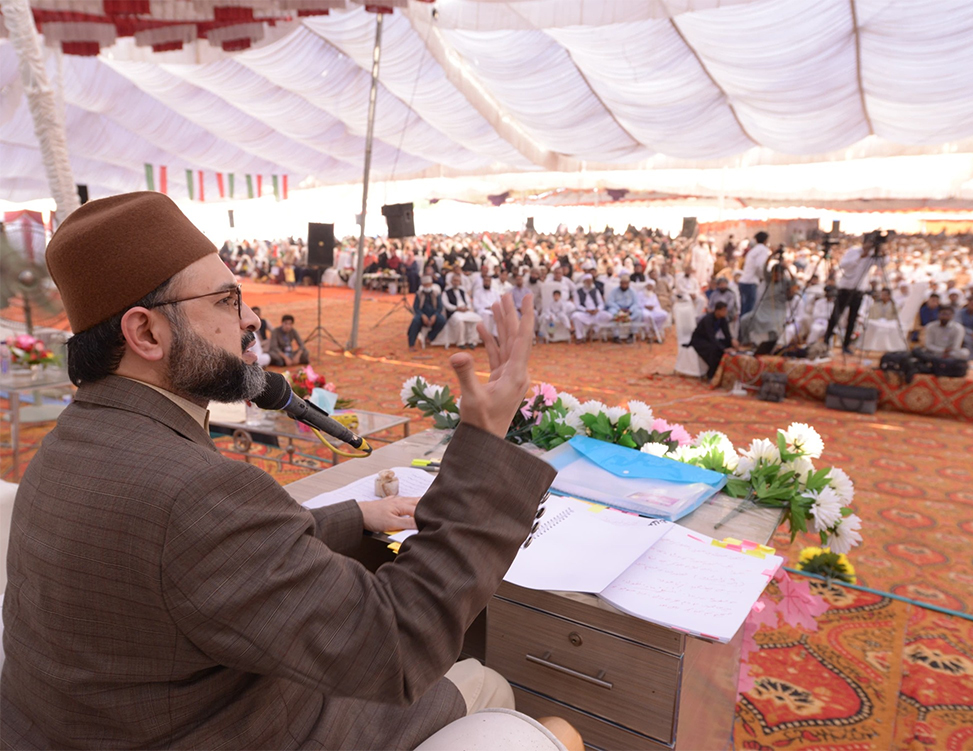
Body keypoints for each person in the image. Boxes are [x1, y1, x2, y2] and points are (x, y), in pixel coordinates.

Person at [1, 192, 580, 751]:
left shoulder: (67, 445)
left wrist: (353, 514)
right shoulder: (192, 493)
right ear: (147, 333)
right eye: (226, 301)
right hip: (243, 729)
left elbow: (199, 560)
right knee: (495, 688)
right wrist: (484, 444)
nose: (251, 318)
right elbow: (399, 646)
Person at [823, 238, 875, 354]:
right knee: (835, 316)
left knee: (852, 319)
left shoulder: (872, 255)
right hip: (845, 289)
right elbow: (844, 265)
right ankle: (826, 341)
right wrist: (861, 256)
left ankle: (846, 345)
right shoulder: (853, 252)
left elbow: (883, 263)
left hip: (858, 291)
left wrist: (881, 252)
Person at [688, 301, 740, 379]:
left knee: (727, 343)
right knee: (714, 350)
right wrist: (724, 349)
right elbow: (711, 336)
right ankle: (711, 373)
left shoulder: (722, 319)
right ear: (717, 311)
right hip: (699, 340)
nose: (725, 312)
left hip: (709, 339)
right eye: (723, 310)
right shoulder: (708, 319)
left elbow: (726, 333)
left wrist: (732, 340)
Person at [442, 274, 482, 349]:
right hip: (454, 312)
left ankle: (472, 341)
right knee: (460, 321)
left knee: (478, 319)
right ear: (451, 281)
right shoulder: (446, 292)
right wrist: (456, 308)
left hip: (465, 310)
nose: (456, 282)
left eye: (457, 281)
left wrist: (467, 308)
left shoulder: (462, 291)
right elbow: (446, 304)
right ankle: (461, 342)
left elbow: (468, 302)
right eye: (454, 280)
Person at [737, 231, 770, 316]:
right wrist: (765, 276)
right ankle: (746, 329)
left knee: (744, 310)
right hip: (750, 282)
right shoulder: (763, 250)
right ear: (766, 240)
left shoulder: (753, 250)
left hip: (744, 281)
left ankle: (742, 328)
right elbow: (760, 266)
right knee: (749, 311)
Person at [571, 274, 612, 342]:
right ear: (584, 282)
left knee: (609, 316)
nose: (589, 283)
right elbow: (577, 305)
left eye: (590, 281)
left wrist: (597, 309)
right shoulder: (578, 292)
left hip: (596, 313)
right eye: (587, 281)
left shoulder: (596, 291)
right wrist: (586, 310)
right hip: (585, 313)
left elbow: (601, 303)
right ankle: (579, 337)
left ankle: (594, 330)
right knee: (575, 316)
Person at [408, 278, 447, 349]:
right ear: (422, 285)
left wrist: (434, 316)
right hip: (422, 314)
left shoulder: (436, 294)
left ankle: (430, 337)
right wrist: (422, 315)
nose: (427, 286)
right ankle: (411, 344)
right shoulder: (419, 294)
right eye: (425, 285)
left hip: (434, 314)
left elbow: (440, 307)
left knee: (442, 321)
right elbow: (416, 308)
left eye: (429, 284)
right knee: (415, 322)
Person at [605, 272, 642, 343]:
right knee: (612, 312)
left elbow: (636, 303)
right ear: (620, 283)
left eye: (626, 283)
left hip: (629, 310)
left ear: (629, 283)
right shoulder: (614, 291)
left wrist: (630, 310)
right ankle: (616, 336)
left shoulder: (632, 291)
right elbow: (609, 302)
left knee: (639, 313)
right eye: (623, 283)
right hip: (617, 309)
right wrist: (619, 309)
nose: (624, 285)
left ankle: (631, 334)